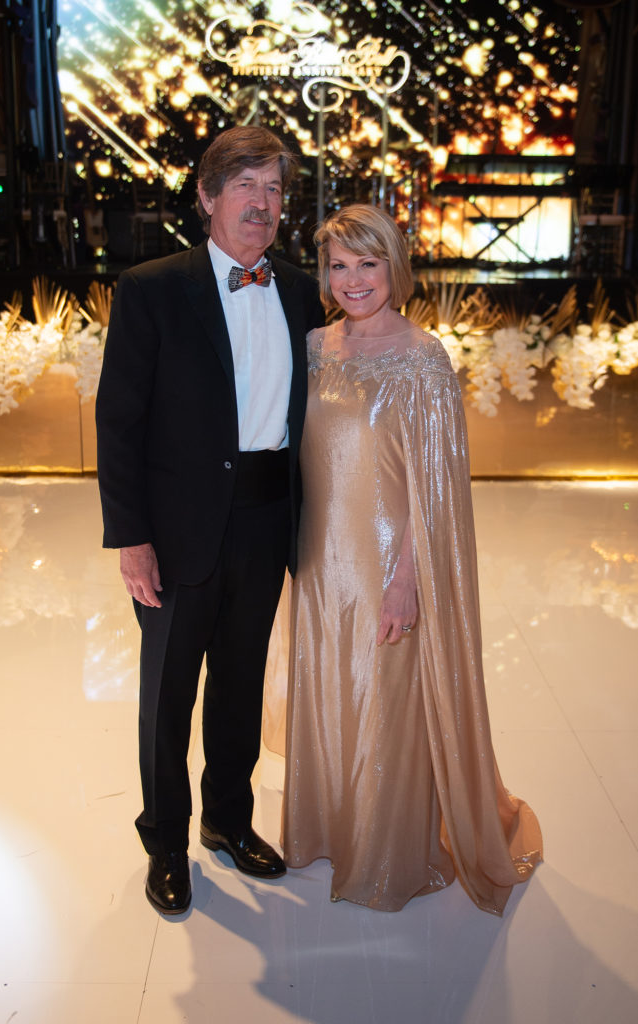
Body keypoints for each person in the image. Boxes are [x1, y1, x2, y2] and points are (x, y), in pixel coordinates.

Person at [281, 205, 542, 915]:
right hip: (317, 558)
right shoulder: (311, 346)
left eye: (367, 263)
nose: (352, 280)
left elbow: (438, 487)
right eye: (338, 265)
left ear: (394, 268)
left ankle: (386, 850)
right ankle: (331, 826)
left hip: (387, 562)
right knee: (332, 688)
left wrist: (408, 582)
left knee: (385, 703)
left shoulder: (422, 357)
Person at [96, 126, 324, 915]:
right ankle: (164, 840)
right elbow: (118, 420)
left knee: (240, 684)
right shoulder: (152, 287)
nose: (261, 204)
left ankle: (229, 821)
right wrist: (131, 537)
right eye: (244, 187)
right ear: (206, 197)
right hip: (177, 525)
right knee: (167, 695)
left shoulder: (298, 290)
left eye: (273, 189)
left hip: (266, 518)